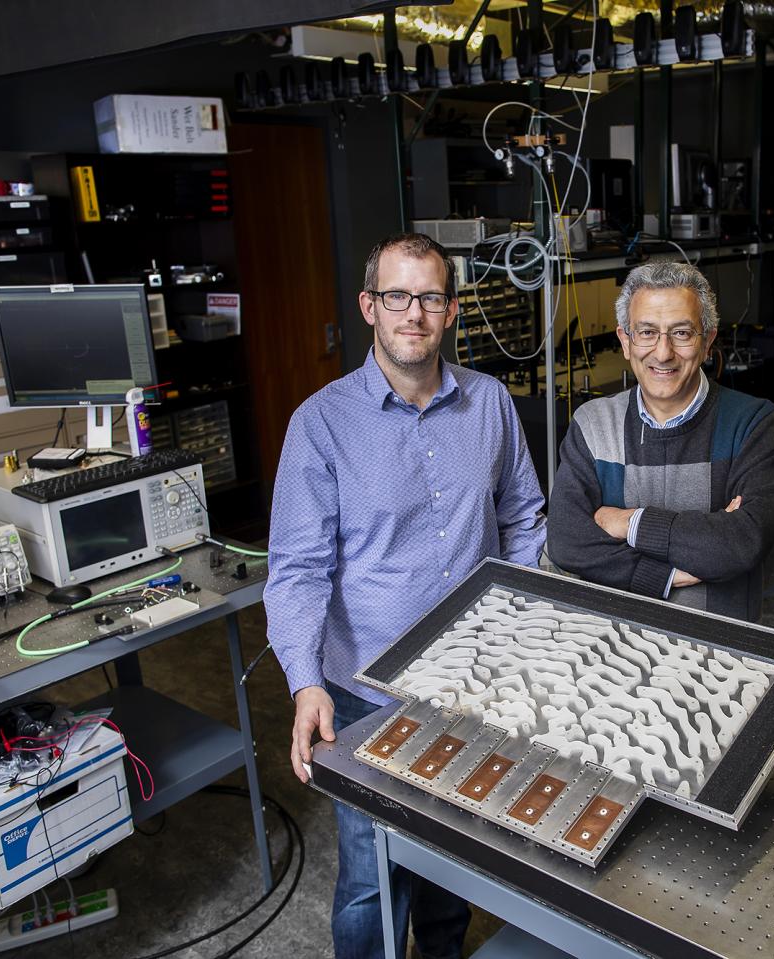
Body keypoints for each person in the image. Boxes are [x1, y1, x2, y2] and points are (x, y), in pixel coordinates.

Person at [265, 233, 546, 959]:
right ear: (370, 307)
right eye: (397, 296)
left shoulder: (490, 403)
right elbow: (296, 568)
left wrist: (521, 623)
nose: (412, 314)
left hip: (472, 681)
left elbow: (523, 517)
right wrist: (303, 682)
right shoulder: (321, 424)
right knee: (372, 873)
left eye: (428, 298)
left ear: (451, 310)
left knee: (454, 851)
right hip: (366, 687)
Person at [546, 260, 774, 621]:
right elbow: (566, 540)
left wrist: (628, 523)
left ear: (707, 341)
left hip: (718, 652)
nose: (662, 353)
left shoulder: (756, 425)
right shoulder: (593, 424)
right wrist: (665, 575)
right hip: (612, 646)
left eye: (681, 333)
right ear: (625, 342)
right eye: (646, 332)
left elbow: (739, 544)